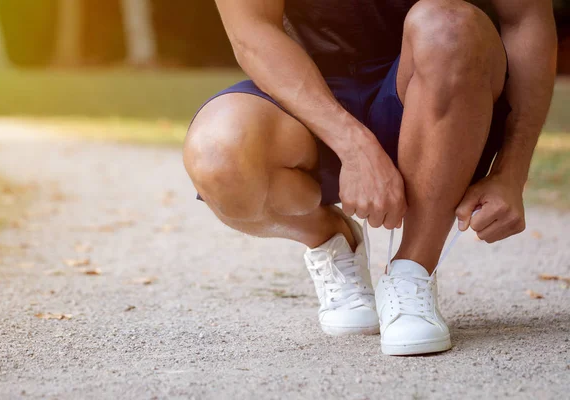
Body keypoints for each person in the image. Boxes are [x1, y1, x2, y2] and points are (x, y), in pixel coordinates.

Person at [183, 0, 557, 355]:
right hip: (307, 90)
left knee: (449, 25)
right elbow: (252, 32)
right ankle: (329, 239)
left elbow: (525, 17)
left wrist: (511, 171)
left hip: (441, 86)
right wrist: (353, 145)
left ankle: (413, 271)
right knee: (219, 157)